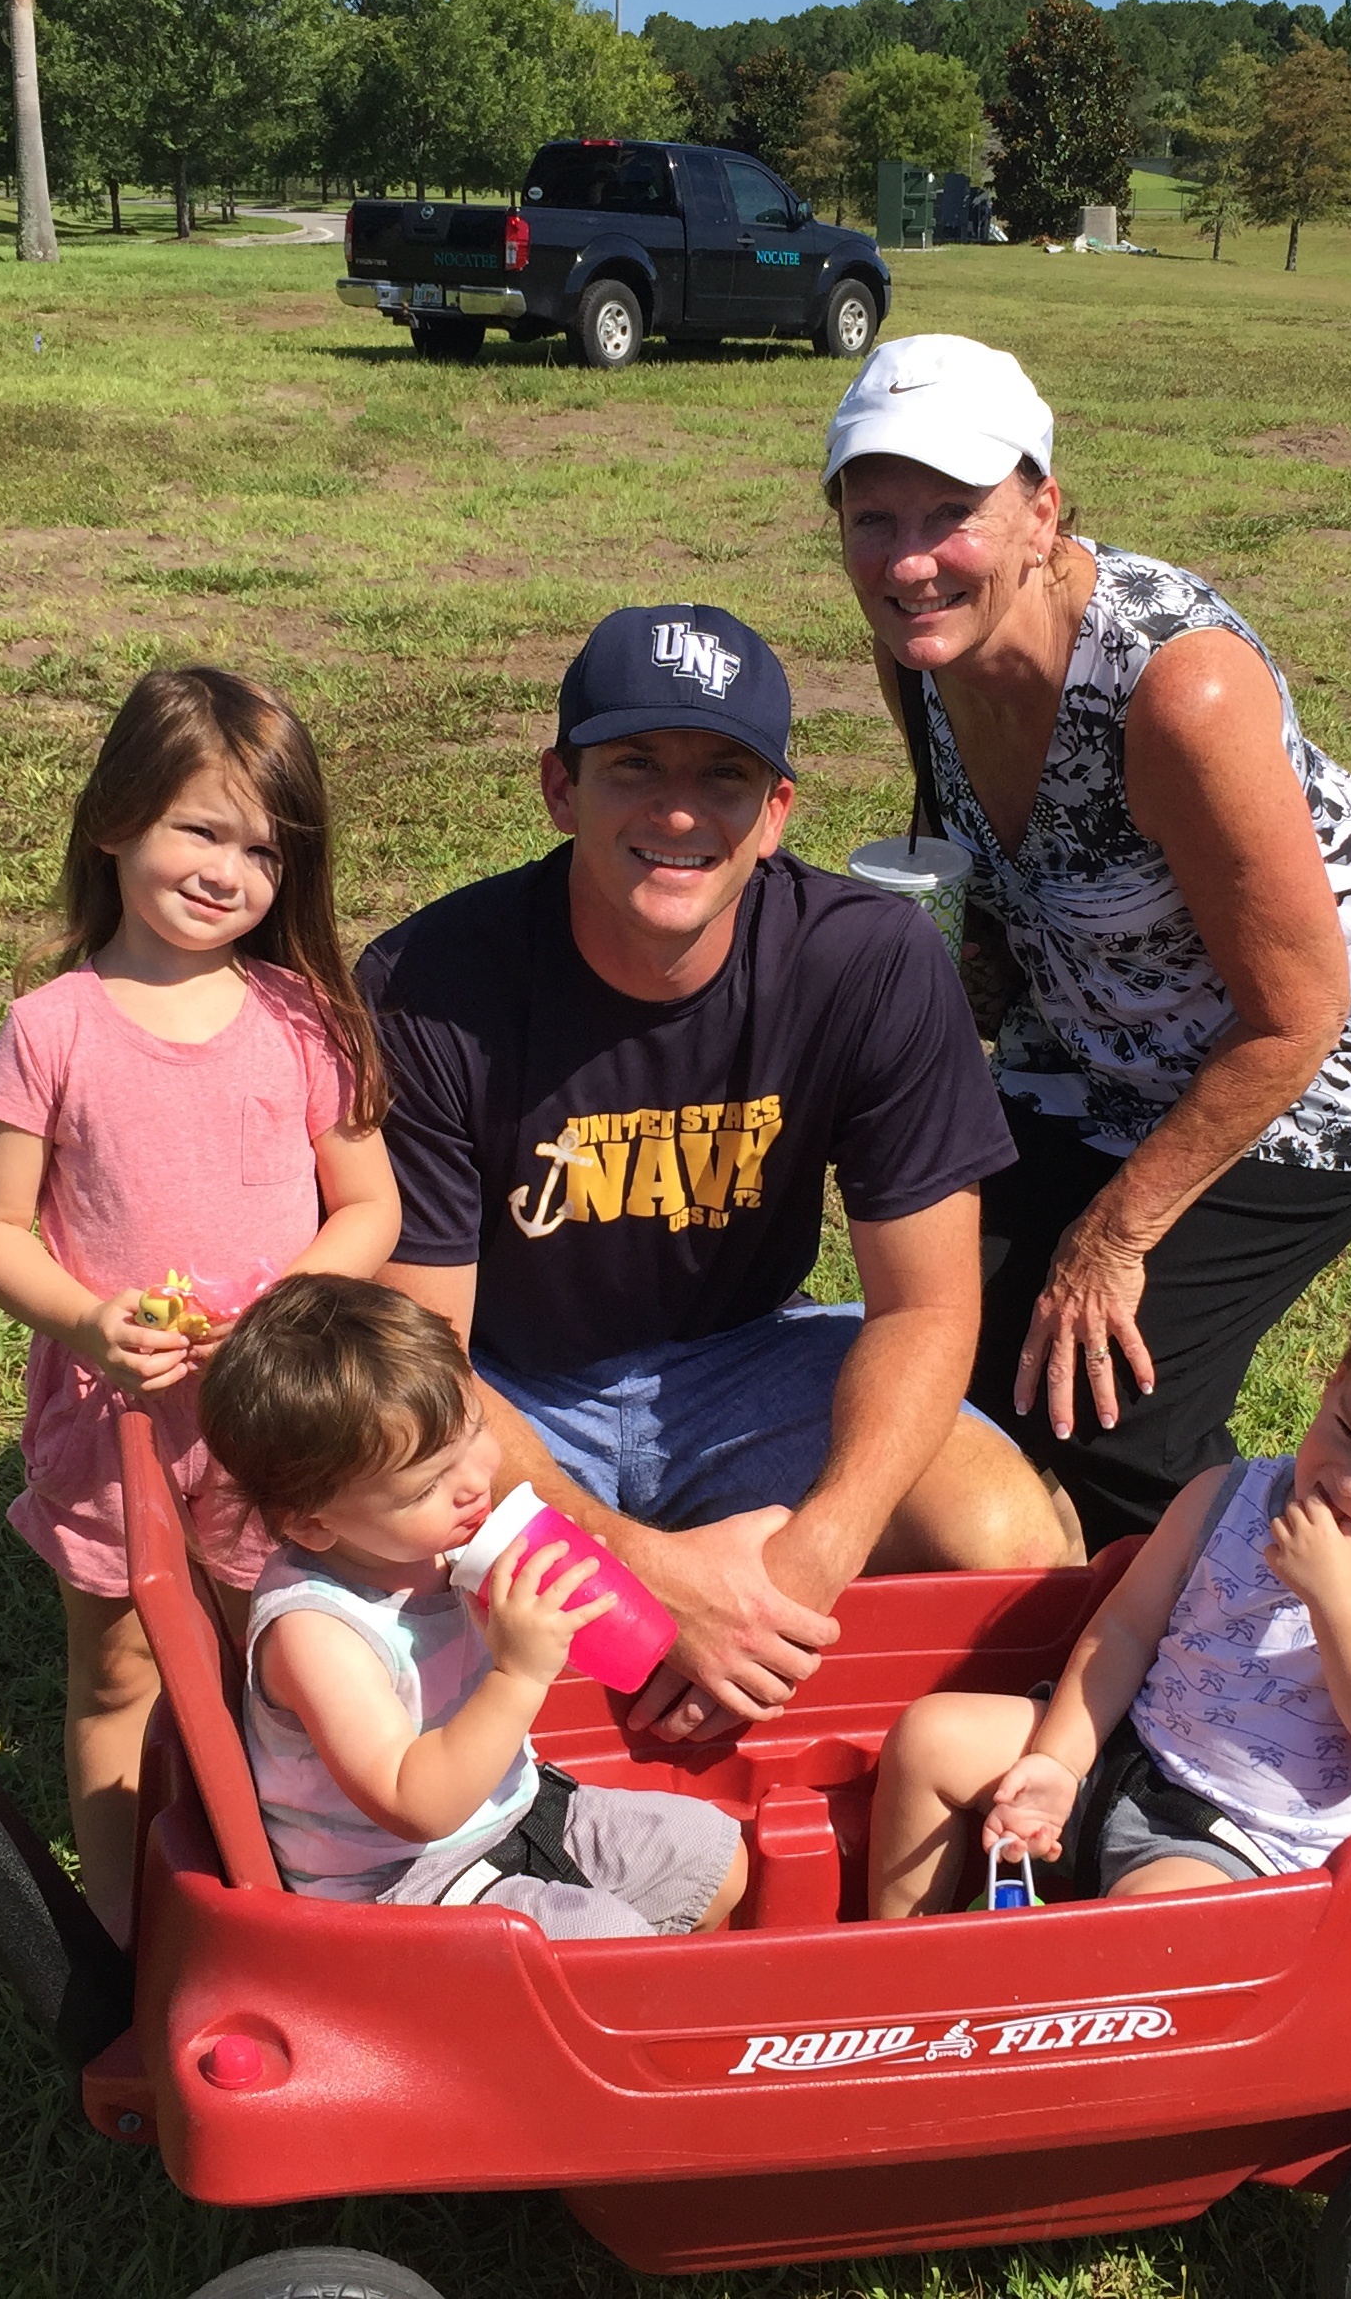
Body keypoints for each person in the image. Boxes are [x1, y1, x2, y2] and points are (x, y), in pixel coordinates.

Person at [358, 604, 1075, 1749]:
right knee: (354, 1634)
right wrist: (641, 1575)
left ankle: (914, 1814)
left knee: (1013, 1544)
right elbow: (421, 1359)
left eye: (725, 775)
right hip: (503, 1387)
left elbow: (929, 1303)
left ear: (777, 812)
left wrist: (805, 1560)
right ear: (560, 788)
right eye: (635, 766)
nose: (680, 812)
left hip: (744, 1360)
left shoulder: (867, 960)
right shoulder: (427, 985)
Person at [823, 335, 1351, 1549]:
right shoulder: (924, 647)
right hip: (1092, 1023)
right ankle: (1018, 1599)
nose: (910, 560)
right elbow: (974, 870)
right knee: (944, 1325)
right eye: (874, 518)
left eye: (953, 514)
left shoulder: (1181, 689)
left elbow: (1296, 1013)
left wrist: (1110, 1238)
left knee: (1108, 1394)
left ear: (1040, 510)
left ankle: (1236, 1655)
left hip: (1321, 1050)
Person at [0, 668, 400, 1937]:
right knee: (120, 1670)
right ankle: (126, 1930)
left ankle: (297, 1895)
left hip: (277, 1419)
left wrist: (289, 1311)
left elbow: (370, 1209)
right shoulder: (53, 1029)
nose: (229, 871)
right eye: (201, 829)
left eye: (264, 849)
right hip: (121, 1419)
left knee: (291, 1653)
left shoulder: (301, 1019)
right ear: (116, 822)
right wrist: (90, 1319)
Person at [866, 1278, 1351, 1916]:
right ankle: (898, 1964)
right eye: (1346, 1431)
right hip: (1125, 1753)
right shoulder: (1226, 1497)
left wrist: (1337, 1601)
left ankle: (1051, 2026)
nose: (1348, 1481)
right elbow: (1124, 1631)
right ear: (1332, 1385)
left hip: (1234, 1844)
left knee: (1150, 1921)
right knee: (931, 1739)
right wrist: (1057, 1763)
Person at [205, 1275, 749, 1936]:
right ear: (314, 1525)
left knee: (712, 1857)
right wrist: (517, 1675)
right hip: (400, 1886)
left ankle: (610, 2003)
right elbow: (413, 1803)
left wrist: (576, 1596)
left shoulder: (438, 1545)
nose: (474, 1482)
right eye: (427, 1485)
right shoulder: (317, 1632)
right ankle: (570, 2021)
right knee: (607, 1945)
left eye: (473, 1434)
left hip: (511, 1807)